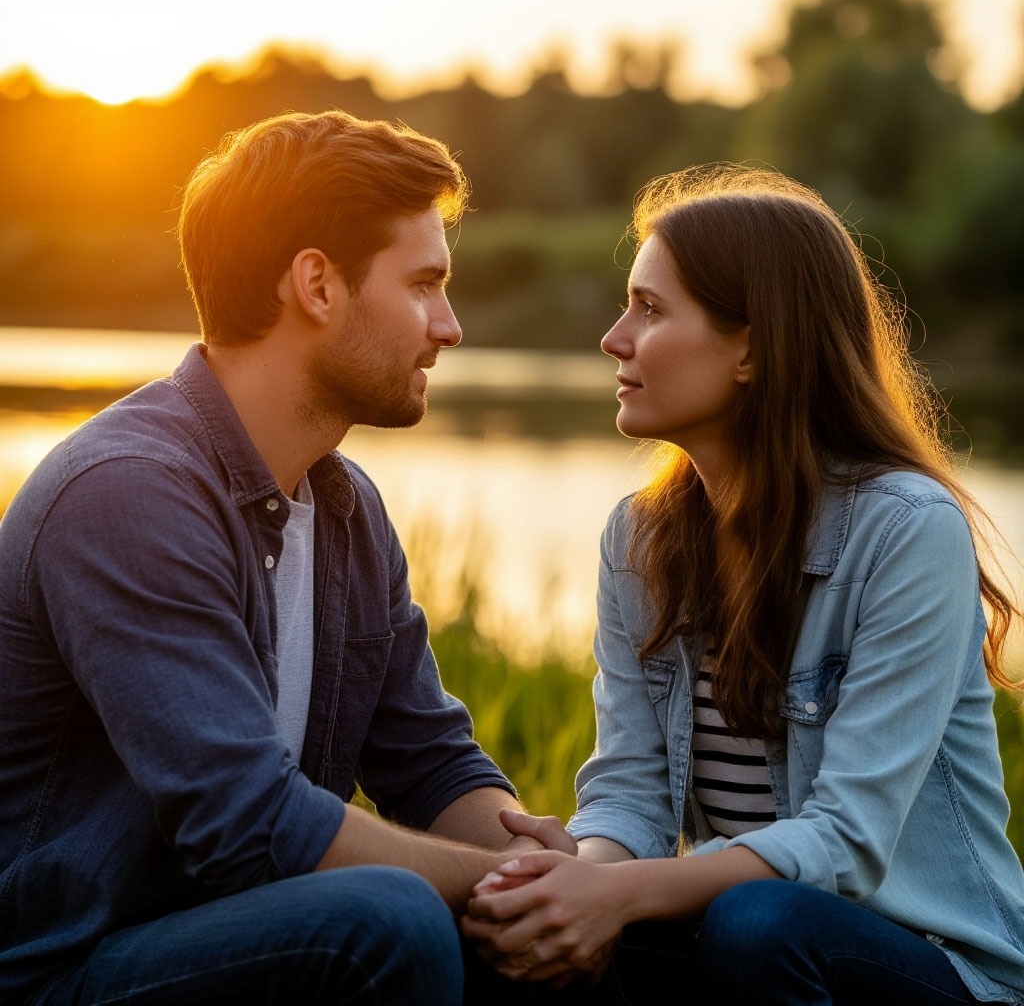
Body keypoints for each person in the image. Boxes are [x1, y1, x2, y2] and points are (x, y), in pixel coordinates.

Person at [0, 109, 571, 1005]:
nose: (450, 326)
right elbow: (246, 823)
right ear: (316, 285)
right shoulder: (128, 493)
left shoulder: (345, 506)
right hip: (69, 965)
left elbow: (427, 760)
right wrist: (494, 886)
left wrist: (548, 872)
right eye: (424, 285)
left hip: (240, 933)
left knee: (603, 937)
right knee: (388, 921)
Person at [462, 163, 1024, 1005]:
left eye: (649, 309)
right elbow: (630, 797)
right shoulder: (640, 539)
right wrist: (569, 883)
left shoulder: (906, 530)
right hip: (750, 936)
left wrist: (617, 896)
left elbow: (846, 842)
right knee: (514, 931)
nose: (614, 339)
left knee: (756, 925)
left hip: (936, 964)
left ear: (753, 348)